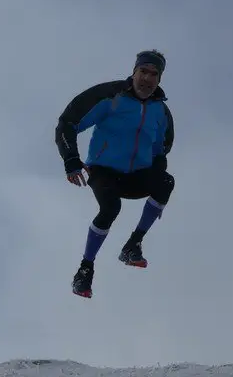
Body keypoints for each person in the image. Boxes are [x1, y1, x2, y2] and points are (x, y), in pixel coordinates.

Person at [54, 49, 175, 298]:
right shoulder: (110, 96)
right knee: (110, 208)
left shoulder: (160, 112)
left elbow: (162, 148)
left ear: (159, 79)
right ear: (134, 72)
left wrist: (157, 168)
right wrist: (72, 160)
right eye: (144, 71)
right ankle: (85, 269)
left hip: (136, 174)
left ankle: (133, 245)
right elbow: (68, 122)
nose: (148, 79)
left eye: (154, 74)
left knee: (166, 182)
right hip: (104, 171)